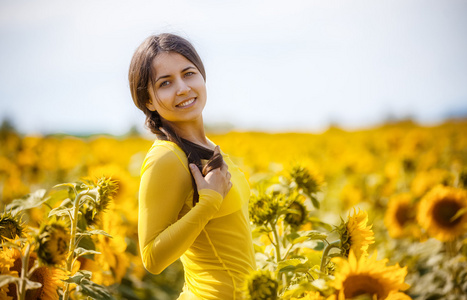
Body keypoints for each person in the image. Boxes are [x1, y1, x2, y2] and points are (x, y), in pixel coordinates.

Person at [128, 33, 256, 299]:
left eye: (188, 74)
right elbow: (152, 257)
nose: (182, 88)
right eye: (165, 83)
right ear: (148, 101)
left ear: (202, 76)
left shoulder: (209, 146)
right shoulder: (166, 158)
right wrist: (208, 203)